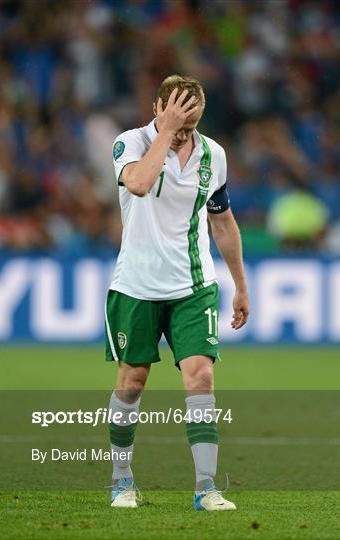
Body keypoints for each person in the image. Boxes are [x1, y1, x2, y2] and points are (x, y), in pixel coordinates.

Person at [105, 75, 251, 510]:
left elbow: (222, 221)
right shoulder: (129, 143)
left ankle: (206, 488)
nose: (184, 132)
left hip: (194, 285)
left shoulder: (213, 154)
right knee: (132, 384)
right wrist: (166, 131)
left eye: (191, 124)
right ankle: (121, 479)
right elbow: (139, 185)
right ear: (157, 108)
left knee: (202, 376)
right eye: (177, 119)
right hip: (137, 285)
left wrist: (241, 285)